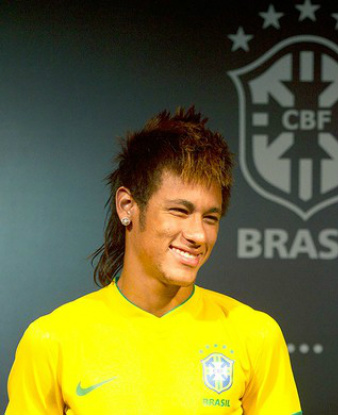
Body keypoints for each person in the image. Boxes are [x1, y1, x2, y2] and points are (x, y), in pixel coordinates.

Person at [5, 107, 302, 415]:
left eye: (210, 217)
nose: (198, 234)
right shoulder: (52, 339)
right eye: (179, 211)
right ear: (127, 206)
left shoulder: (256, 333)